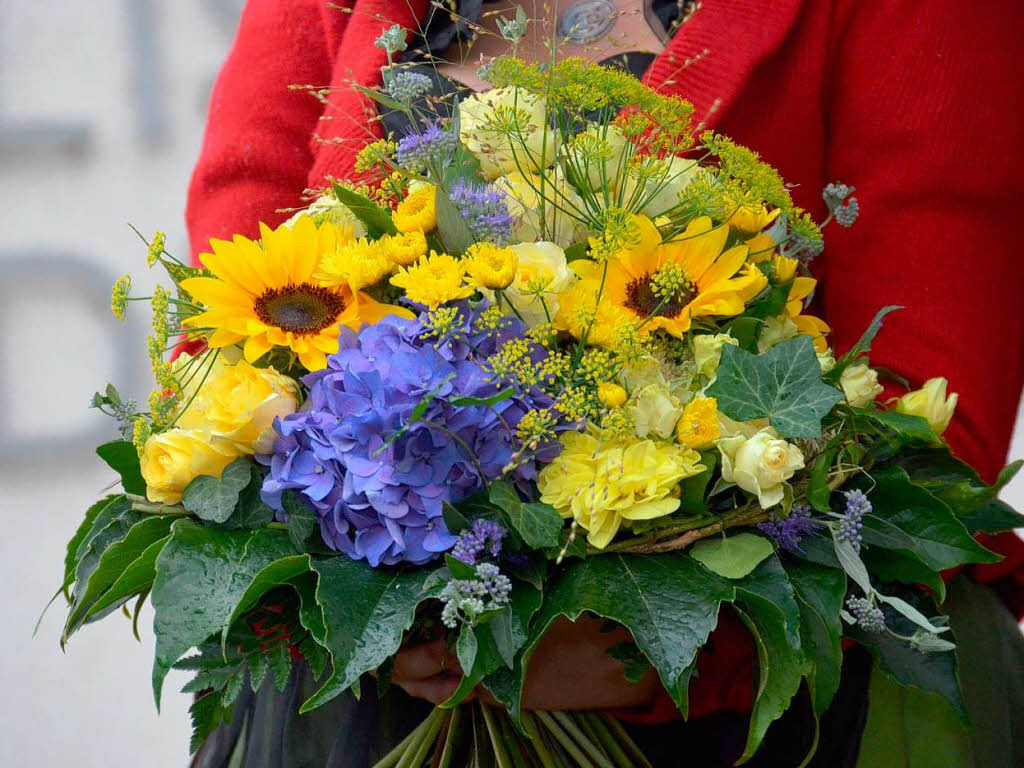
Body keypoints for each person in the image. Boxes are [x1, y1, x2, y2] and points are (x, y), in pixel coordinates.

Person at [186, 1, 1024, 765]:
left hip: (756, 722)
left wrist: (647, 647)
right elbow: (225, 328)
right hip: (363, 704)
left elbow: (934, 426)